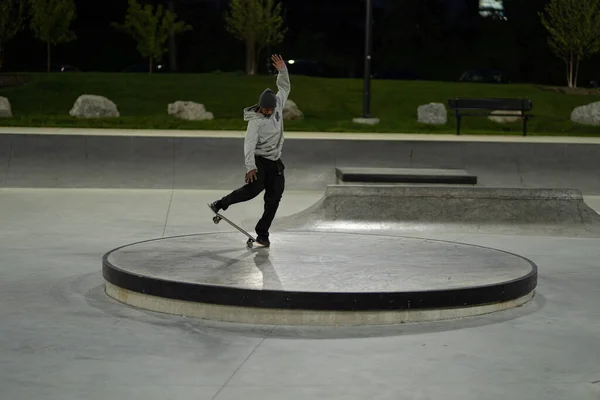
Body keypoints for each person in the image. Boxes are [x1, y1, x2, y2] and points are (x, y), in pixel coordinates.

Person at [210, 54, 291, 248]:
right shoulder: (255, 122)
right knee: (252, 190)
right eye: (266, 110)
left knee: (275, 197)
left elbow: (285, 87)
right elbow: (249, 144)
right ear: (260, 107)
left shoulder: (278, 103)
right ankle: (221, 203)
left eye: (271, 110)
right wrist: (250, 167)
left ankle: (262, 233)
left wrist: (282, 70)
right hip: (259, 161)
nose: (269, 112)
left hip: (275, 162)